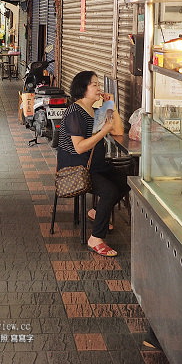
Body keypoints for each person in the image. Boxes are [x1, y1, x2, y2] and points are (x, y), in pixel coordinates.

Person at [56, 71, 125, 257]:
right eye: (94, 84)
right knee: (109, 191)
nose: (99, 88)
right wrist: (103, 131)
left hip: (95, 165)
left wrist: (111, 105)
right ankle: (96, 238)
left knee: (127, 180)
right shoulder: (74, 112)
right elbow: (79, 148)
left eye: (98, 84)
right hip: (76, 168)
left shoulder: (95, 111)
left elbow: (118, 131)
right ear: (83, 89)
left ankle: (97, 211)